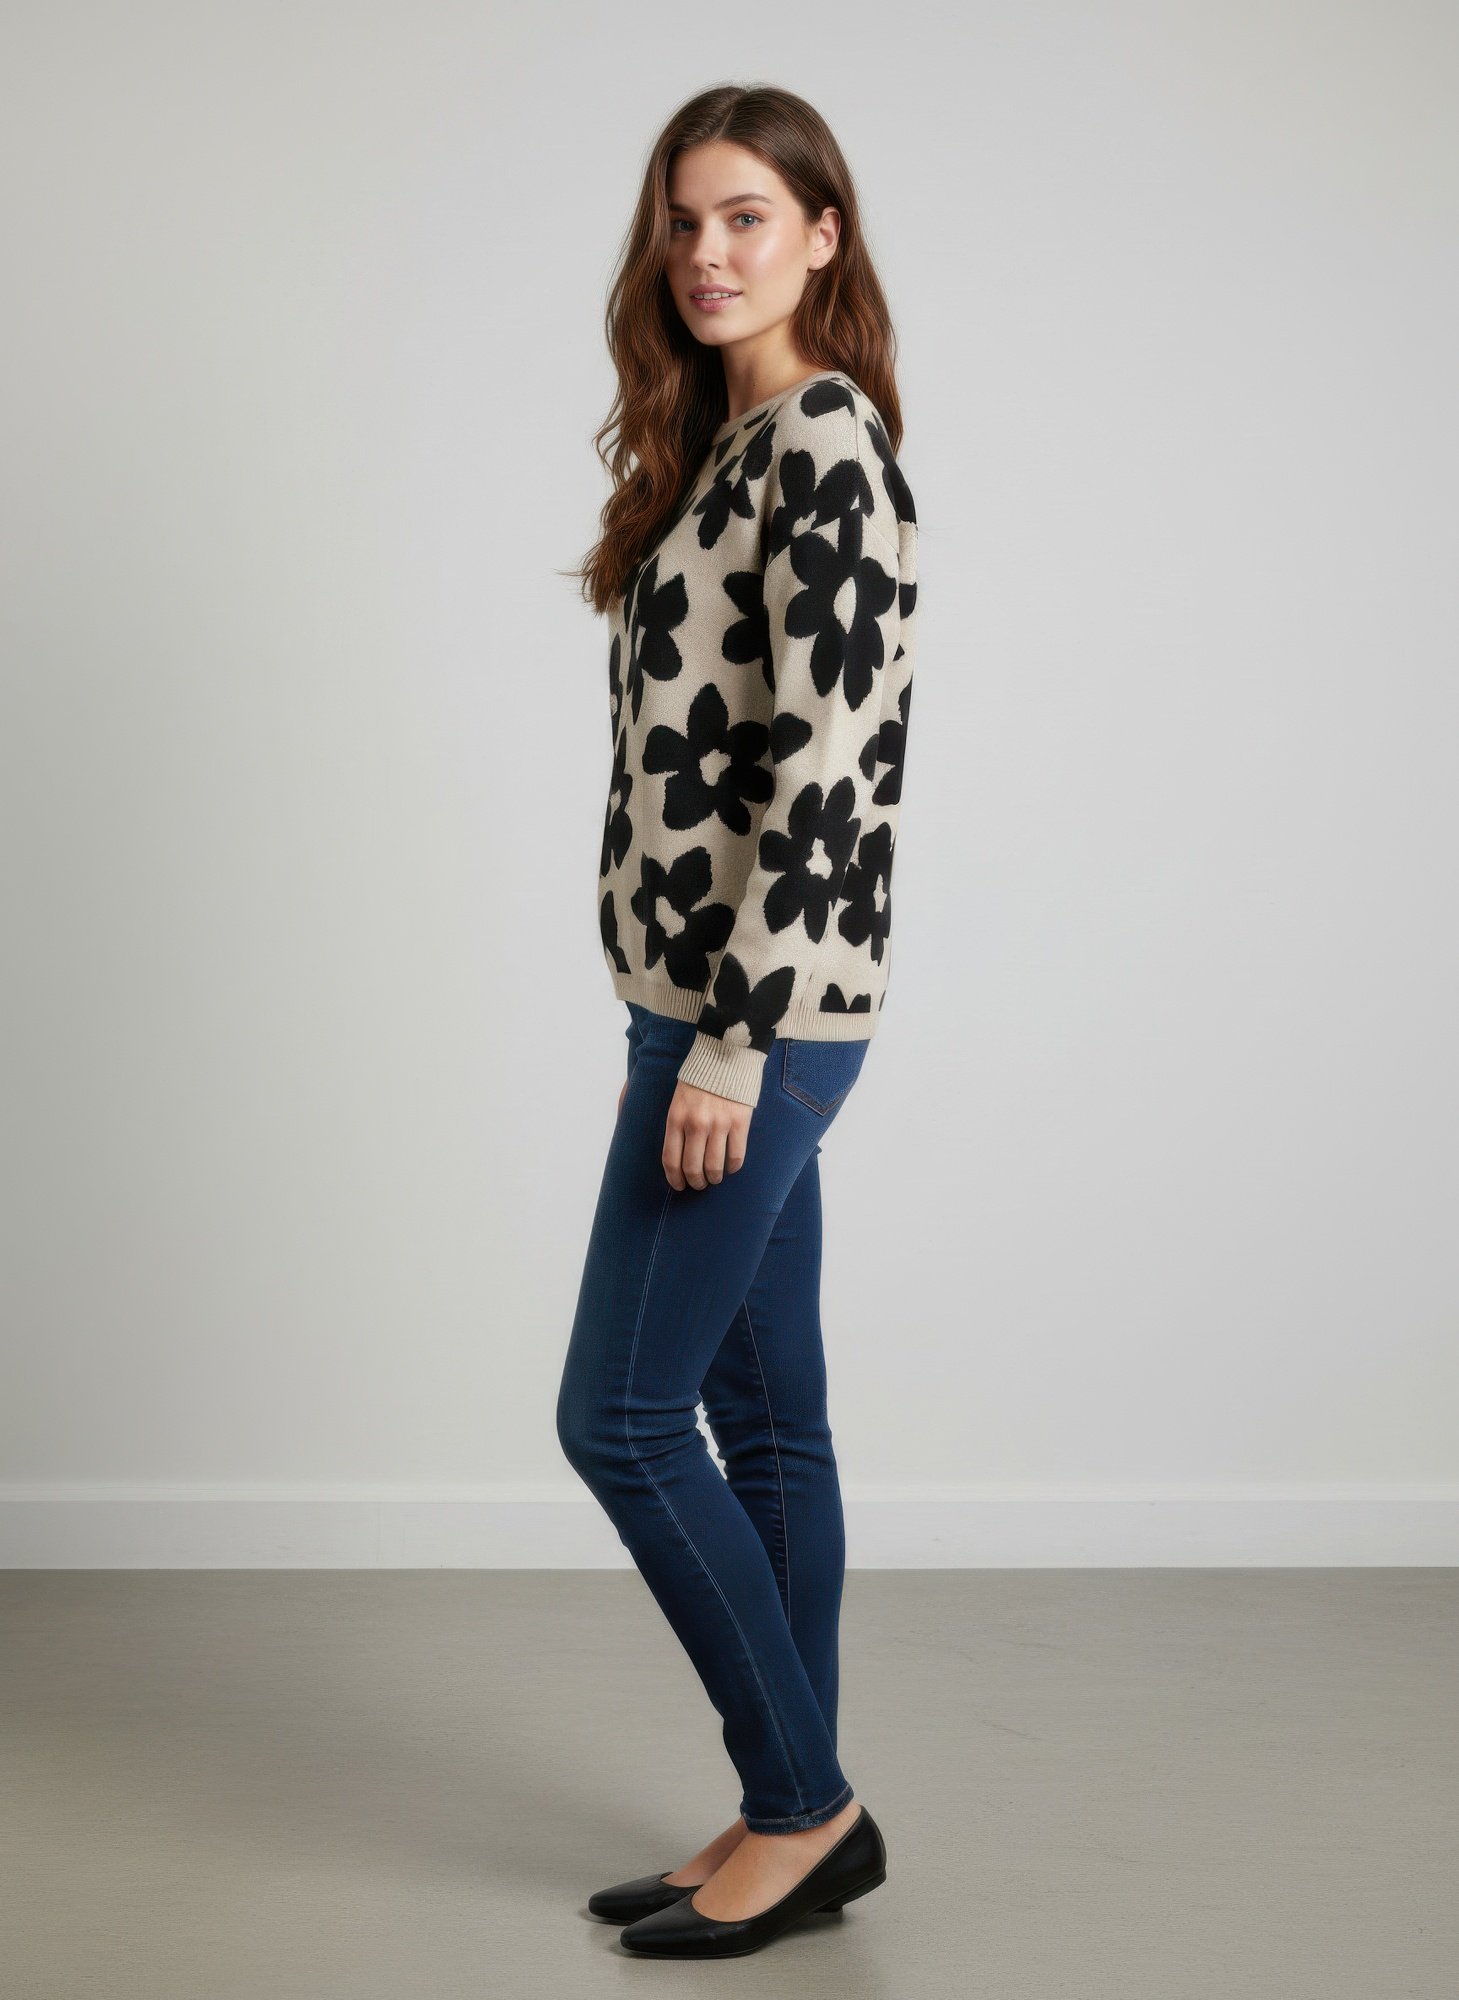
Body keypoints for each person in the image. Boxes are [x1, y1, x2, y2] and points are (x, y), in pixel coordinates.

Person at [555, 80, 918, 1961]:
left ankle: (805, 1802)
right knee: (766, 1423)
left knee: (619, 1418)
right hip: (700, 1007)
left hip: (748, 1020)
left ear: (821, 235)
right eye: (685, 221)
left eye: (748, 217)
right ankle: (797, 1808)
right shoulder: (729, 447)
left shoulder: (827, 445)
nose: (708, 252)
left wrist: (729, 1043)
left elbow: (829, 774)